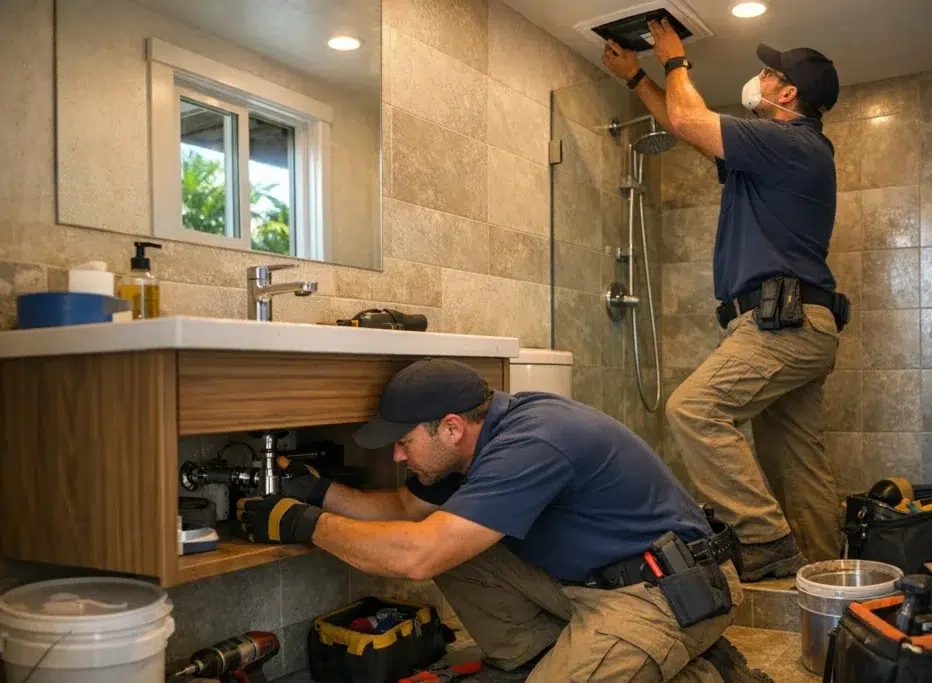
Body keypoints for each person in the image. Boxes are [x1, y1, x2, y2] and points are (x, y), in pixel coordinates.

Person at [236, 359, 772, 683]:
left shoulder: (534, 440)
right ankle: (550, 658)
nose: (398, 458)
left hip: (667, 594)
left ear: (449, 428)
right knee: (455, 542)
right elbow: (404, 511)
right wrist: (316, 492)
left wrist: (304, 525)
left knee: (437, 547)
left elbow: (421, 554)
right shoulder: (480, 436)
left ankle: (704, 670)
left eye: (404, 443)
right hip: (593, 584)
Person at [602, 20, 847, 581]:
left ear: (787, 94)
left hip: (781, 325)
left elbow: (688, 116)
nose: (757, 77)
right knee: (796, 462)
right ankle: (827, 590)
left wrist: (674, 59)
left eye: (768, 72)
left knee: (693, 409)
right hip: (798, 323)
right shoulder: (782, 150)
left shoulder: (789, 141)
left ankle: (765, 541)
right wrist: (638, 75)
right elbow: (685, 126)